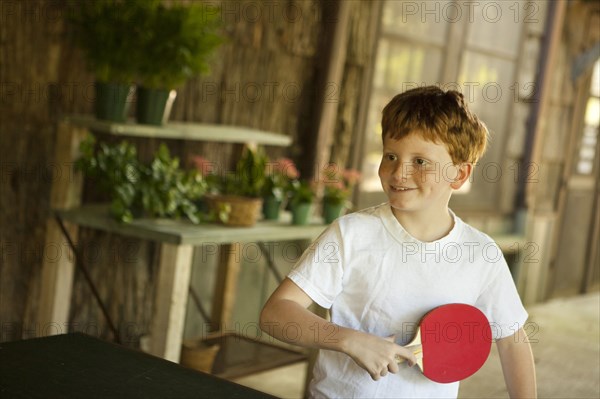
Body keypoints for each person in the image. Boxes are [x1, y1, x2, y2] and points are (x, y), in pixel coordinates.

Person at [260, 86, 537, 398]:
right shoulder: (351, 234)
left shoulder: (482, 255)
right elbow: (276, 314)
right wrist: (349, 340)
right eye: (391, 155)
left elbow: (512, 340)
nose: (398, 172)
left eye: (420, 161)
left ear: (459, 175)